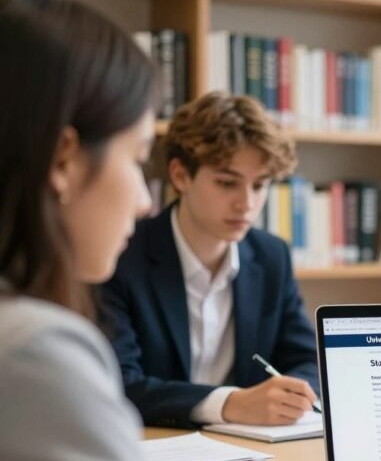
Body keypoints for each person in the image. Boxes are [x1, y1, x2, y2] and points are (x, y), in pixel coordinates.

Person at [0, 0, 336, 461]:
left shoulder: (269, 254)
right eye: (135, 161)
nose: (140, 199)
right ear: (63, 160)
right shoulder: (33, 349)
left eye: (260, 186)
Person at [101, 91, 320, 428]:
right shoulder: (121, 254)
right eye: (227, 183)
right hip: (155, 450)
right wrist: (230, 404)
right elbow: (119, 384)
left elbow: (307, 362)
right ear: (180, 176)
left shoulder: (271, 255)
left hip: (250, 448)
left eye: (260, 185)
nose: (246, 203)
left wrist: (294, 395)